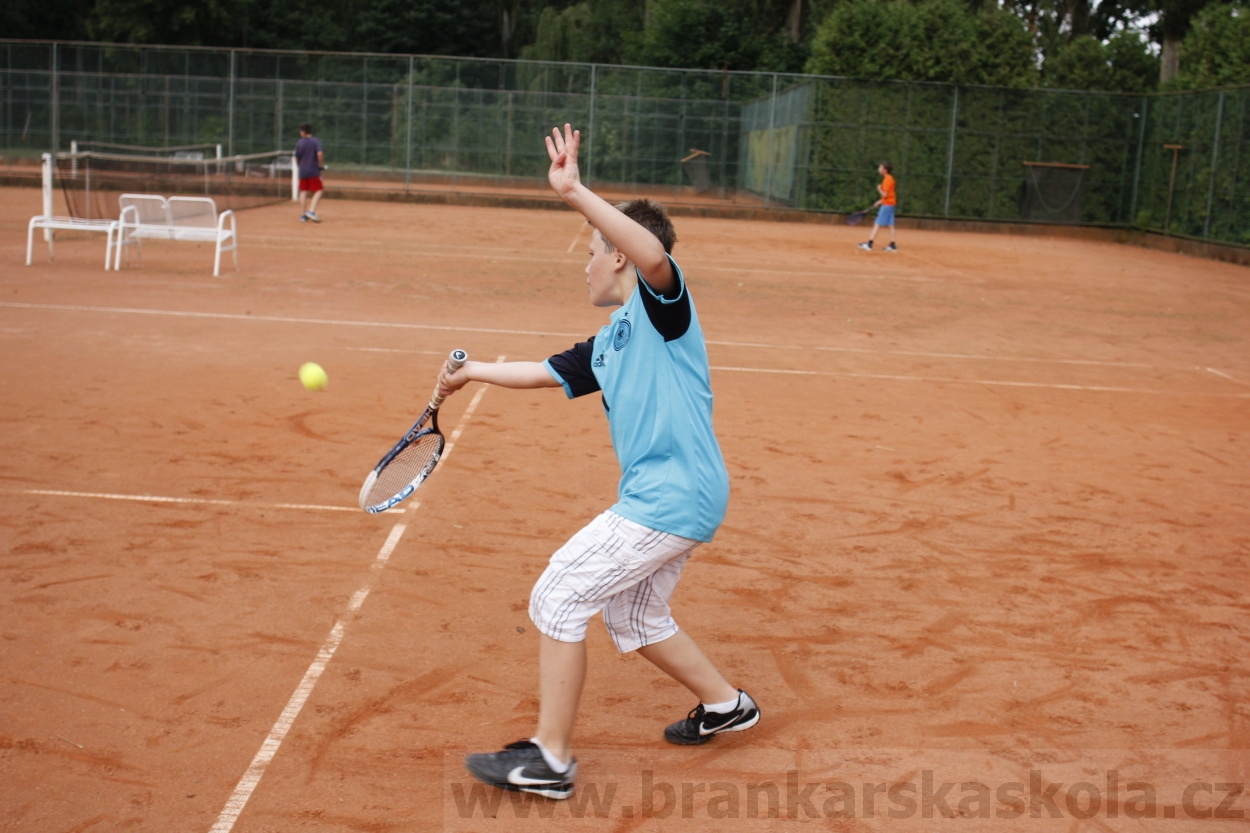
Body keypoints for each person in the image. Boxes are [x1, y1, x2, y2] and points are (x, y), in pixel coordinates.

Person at [436, 124, 759, 801]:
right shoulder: (610, 341)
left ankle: (551, 760)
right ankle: (727, 702)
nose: (584, 263)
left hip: (672, 495)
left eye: (592, 250)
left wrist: (575, 190)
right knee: (634, 618)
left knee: (558, 594)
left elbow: (652, 251)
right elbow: (544, 372)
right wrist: (473, 373)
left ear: (618, 255)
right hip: (673, 495)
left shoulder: (662, 306)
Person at [858, 161, 897, 251]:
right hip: (891, 203)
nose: (878, 169)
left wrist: (879, 188)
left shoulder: (887, 180)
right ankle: (892, 245)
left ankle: (869, 244)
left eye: (880, 168)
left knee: (877, 224)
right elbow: (889, 195)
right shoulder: (889, 178)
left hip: (887, 205)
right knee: (891, 224)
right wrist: (879, 201)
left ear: (885, 170)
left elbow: (885, 195)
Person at [294, 123, 325, 223]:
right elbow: (319, 154)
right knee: (319, 190)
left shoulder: (299, 143)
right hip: (313, 170)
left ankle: (303, 216)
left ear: (303, 132)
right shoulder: (315, 141)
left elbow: (296, 158)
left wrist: (300, 166)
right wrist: (320, 166)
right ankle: (311, 211)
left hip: (302, 171)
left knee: (303, 191)